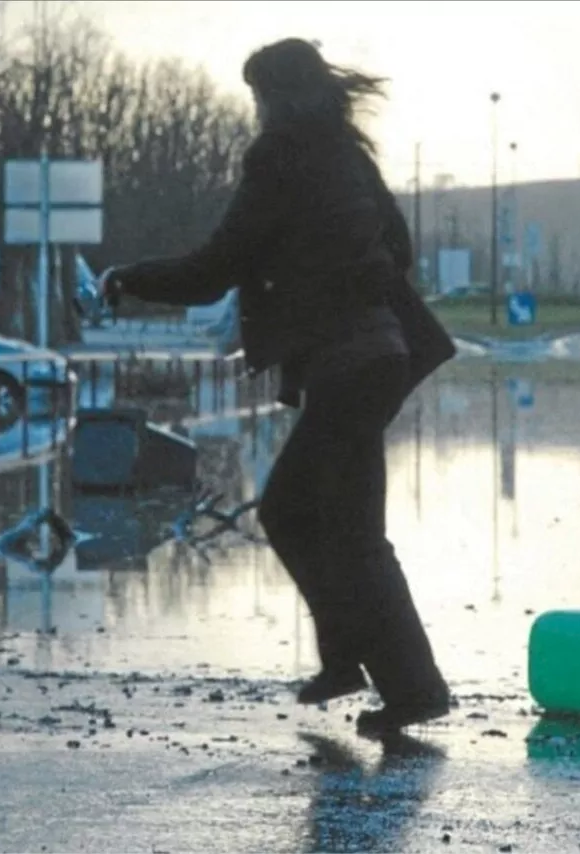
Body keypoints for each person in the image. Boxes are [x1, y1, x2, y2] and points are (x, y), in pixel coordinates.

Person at [101, 38, 456, 737]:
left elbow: (215, 266)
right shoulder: (349, 158)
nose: (256, 110)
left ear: (278, 98)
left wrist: (128, 277)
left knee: (302, 515)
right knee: (342, 526)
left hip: (349, 363)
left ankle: (393, 678)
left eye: (259, 96)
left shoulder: (281, 158)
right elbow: (401, 248)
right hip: (377, 356)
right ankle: (374, 670)